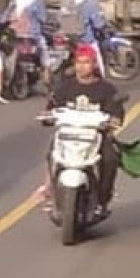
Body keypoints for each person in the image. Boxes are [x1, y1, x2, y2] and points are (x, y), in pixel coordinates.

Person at [35, 44, 124, 217]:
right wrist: (47, 116)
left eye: (86, 62)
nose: (81, 66)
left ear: (94, 64)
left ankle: (102, 200)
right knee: (51, 154)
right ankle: (51, 193)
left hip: (95, 137)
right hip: (69, 135)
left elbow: (116, 111)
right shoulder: (65, 87)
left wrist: (113, 122)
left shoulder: (106, 89)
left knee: (110, 159)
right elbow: (52, 107)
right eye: (79, 62)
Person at [5, 0, 51, 85]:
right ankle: (47, 78)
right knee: (45, 52)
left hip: (13, 34)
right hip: (32, 35)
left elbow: (6, 15)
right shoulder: (37, 0)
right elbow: (43, 18)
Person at [74, 0, 107, 77]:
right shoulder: (91, 4)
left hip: (75, 38)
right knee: (97, 61)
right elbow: (98, 25)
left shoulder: (76, 4)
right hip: (88, 39)